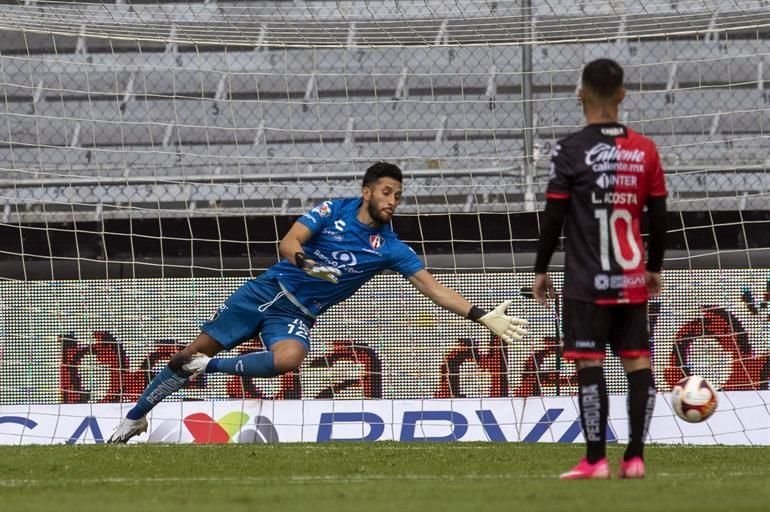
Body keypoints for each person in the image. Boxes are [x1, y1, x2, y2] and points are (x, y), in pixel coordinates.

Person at [109, 161, 529, 443]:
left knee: (289, 358)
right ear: (366, 192)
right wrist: (306, 262)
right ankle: (138, 414)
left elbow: (432, 287)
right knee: (184, 356)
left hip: (297, 313)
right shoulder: (333, 210)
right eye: (386, 192)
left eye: (398, 195)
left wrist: (479, 314)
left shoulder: (390, 246)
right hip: (266, 292)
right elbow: (287, 241)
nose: (393, 201)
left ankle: (210, 368)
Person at [531, 59, 667, 479]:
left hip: (586, 278)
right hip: (631, 276)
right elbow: (659, 215)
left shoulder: (570, 149)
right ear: (623, 95)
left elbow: (554, 216)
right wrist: (654, 267)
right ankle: (636, 457)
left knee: (589, 363)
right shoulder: (645, 149)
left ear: (581, 94)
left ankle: (595, 460)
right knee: (638, 363)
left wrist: (540, 268)